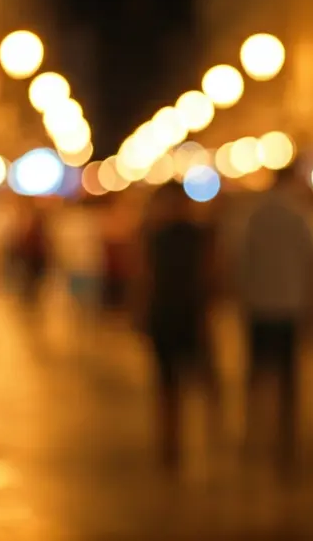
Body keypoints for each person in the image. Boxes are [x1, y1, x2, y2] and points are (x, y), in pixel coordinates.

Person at [236, 163, 313, 479]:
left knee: (258, 375)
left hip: (259, 306)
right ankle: (287, 443)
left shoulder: (255, 216)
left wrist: (245, 296)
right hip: (290, 306)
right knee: (288, 379)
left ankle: (255, 436)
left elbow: (242, 261)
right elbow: (312, 261)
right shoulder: (299, 217)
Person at [135, 182, 215, 472]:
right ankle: (171, 442)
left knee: (184, 381)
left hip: (184, 314)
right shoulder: (164, 236)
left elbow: (206, 276)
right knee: (168, 383)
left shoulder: (186, 236)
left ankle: (181, 442)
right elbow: (146, 277)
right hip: (170, 315)